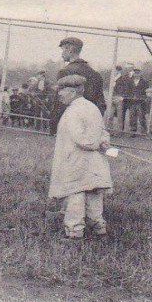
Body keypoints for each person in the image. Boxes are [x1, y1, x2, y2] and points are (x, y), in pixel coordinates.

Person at [48, 74, 113, 240]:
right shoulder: (91, 107)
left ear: (73, 91)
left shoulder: (75, 111)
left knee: (75, 197)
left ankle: (75, 234)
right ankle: (99, 230)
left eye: (62, 90)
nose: (60, 94)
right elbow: (103, 132)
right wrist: (103, 142)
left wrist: (97, 143)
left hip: (77, 163)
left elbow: (83, 139)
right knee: (93, 195)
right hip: (93, 162)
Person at [51, 36, 106, 133]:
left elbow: (60, 102)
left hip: (69, 122)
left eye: (63, 49)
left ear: (70, 50)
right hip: (89, 122)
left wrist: (54, 125)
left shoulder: (64, 72)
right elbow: (100, 103)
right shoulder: (95, 73)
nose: (62, 53)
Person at [128, 67, 149, 134]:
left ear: (140, 73)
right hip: (132, 102)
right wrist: (131, 97)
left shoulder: (144, 82)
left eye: (138, 73)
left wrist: (142, 97)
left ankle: (143, 131)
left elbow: (146, 92)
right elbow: (128, 90)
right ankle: (133, 130)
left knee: (141, 117)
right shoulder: (130, 81)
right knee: (132, 117)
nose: (136, 74)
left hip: (141, 102)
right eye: (135, 72)